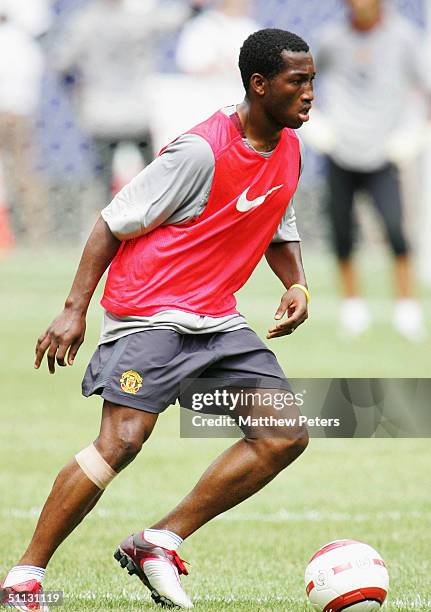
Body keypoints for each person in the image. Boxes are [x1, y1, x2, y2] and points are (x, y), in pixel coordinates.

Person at [1, 29, 315, 610]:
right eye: (298, 82)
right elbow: (112, 220)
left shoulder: (289, 145)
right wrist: (74, 309)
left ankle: (158, 540)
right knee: (121, 441)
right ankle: (24, 576)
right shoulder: (200, 150)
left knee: (284, 433)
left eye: (312, 81)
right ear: (259, 84)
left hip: (216, 319)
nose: (309, 93)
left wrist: (294, 282)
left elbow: (274, 221)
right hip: (148, 311)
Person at [306, 0, 429, 340]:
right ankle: (352, 309)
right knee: (342, 234)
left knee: (396, 231)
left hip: (384, 153)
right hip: (340, 150)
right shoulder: (331, 37)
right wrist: (313, 122)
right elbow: (303, 81)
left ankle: (407, 310)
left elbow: (427, 89)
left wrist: (414, 133)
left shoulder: (404, 38)